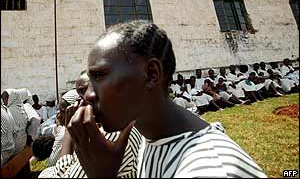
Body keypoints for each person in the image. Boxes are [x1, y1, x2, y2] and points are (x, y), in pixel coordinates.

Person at [62, 21, 266, 177]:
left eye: (99, 76)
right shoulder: (149, 137)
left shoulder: (210, 170)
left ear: (151, 74)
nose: (88, 94)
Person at [1, 89, 28, 155]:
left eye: (6, 97)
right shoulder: (20, 108)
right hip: (23, 141)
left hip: (15, 145)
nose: (3, 100)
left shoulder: (9, 110)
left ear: (12, 98)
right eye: (2, 97)